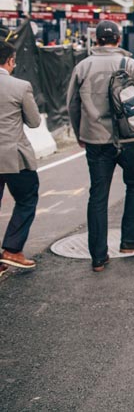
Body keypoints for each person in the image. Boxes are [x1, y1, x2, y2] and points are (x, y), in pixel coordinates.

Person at [67, 20, 134, 272]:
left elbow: (71, 104)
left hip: (95, 140)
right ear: (118, 39)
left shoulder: (82, 66)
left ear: (96, 40)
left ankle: (98, 257)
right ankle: (130, 240)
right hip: (128, 139)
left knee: (98, 194)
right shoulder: (128, 64)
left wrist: (80, 133)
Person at [0, 40, 40, 270]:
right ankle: (13, 250)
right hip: (14, 156)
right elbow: (34, 122)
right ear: (10, 61)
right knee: (27, 198)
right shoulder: (20, 86)